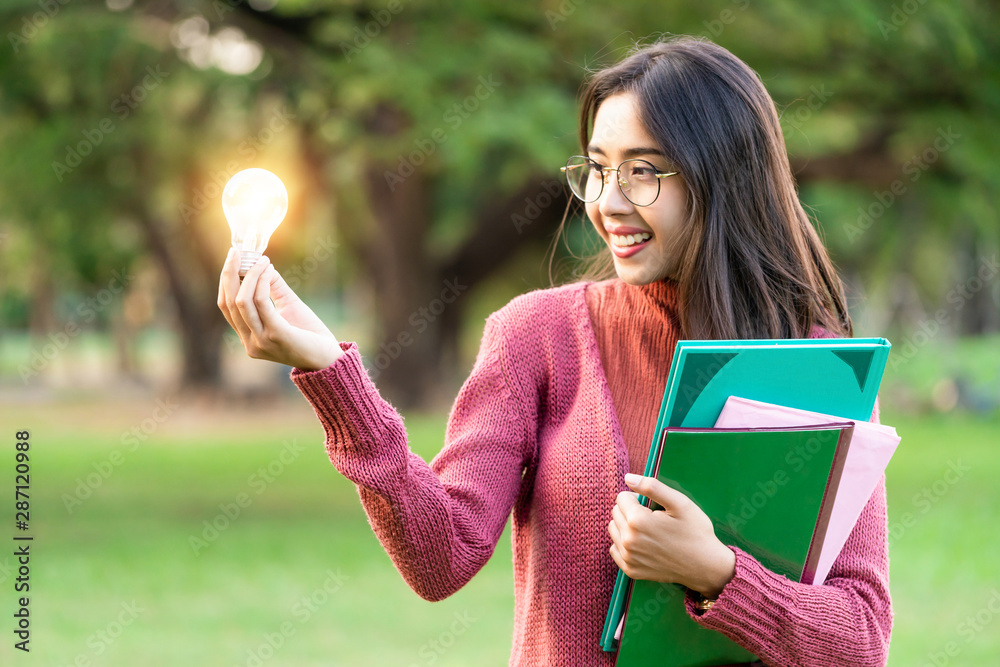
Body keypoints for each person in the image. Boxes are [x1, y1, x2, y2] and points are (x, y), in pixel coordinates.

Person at [218, 35, 892, 667]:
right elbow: (440, 555)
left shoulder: (818, 366)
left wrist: (716, 571)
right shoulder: (537, 336)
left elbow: (860, 637)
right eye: (597, 170)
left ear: (721, 178)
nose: (607, 202)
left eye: (643, 172)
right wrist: (334, 379)